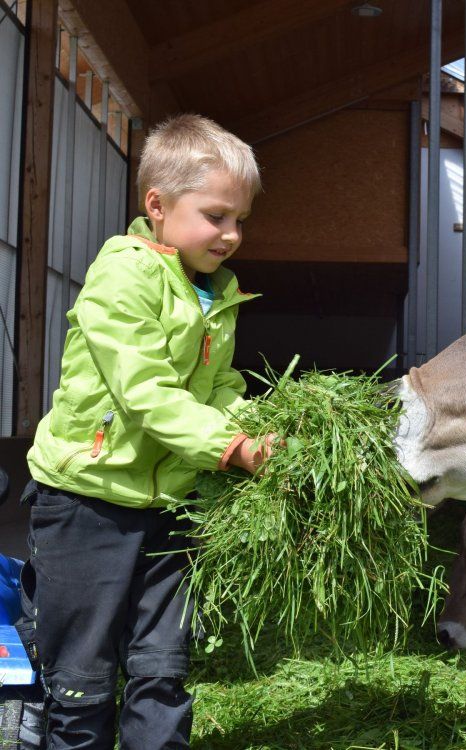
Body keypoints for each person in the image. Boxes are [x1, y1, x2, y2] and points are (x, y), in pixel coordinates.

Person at [22, 114, 274, 749]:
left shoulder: (217, 294)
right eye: (216, 215)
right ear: (157, 206)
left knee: (162, 669)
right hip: (88, 501)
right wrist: (229, 447)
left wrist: (258, 430)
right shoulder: (123, 276)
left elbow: (219, 388)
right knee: (82, 678)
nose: (231, 234)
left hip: (171, 506)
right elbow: (144, 392)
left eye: (239, 219)